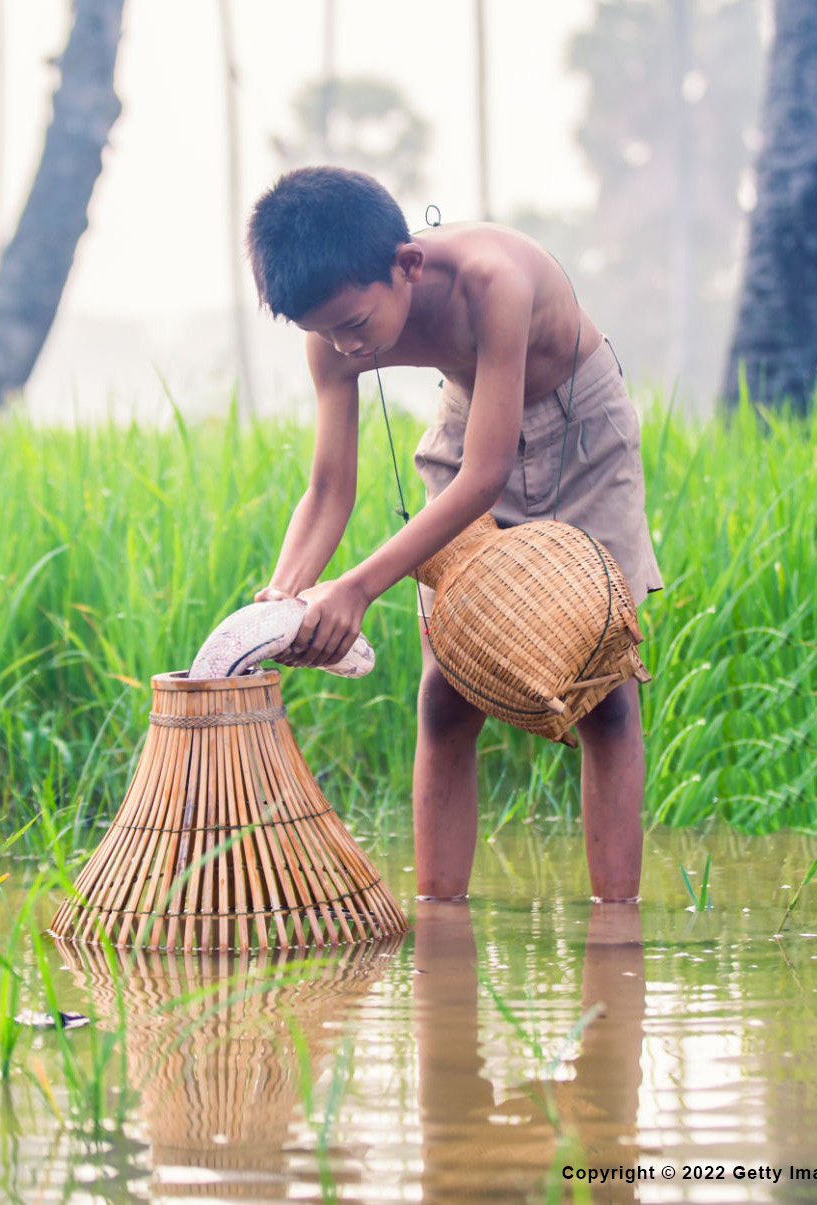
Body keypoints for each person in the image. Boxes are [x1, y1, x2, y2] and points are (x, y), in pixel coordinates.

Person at [245, 165, 665, 903]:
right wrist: (282, 597)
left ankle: (614, 924)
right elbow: (329, 488)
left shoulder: (493, 282)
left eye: (352, 327)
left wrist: (356, 587)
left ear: (406, 265)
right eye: (322, 333)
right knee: (446, 687)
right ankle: (440, 919)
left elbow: (485, 477)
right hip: (472, 414)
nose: (344, 348)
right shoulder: (331, 337)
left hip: (579, 430)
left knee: (605, 691)